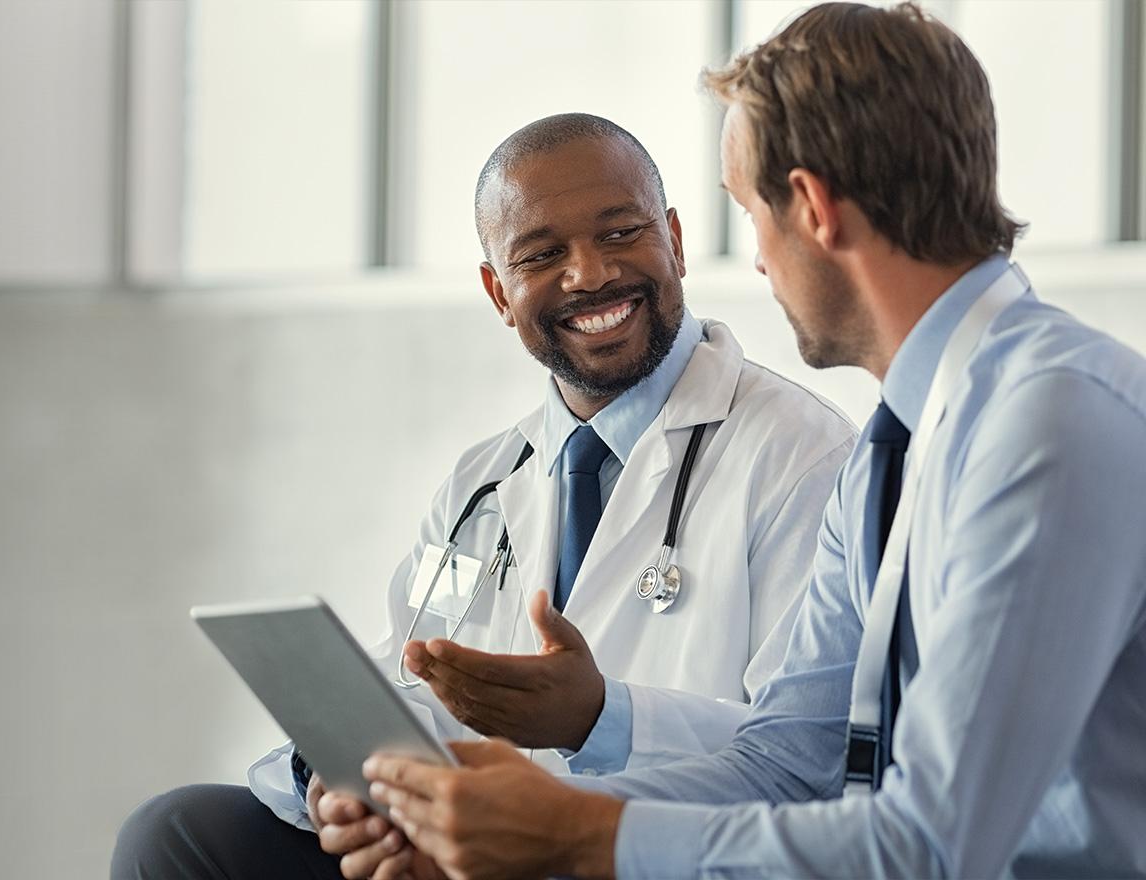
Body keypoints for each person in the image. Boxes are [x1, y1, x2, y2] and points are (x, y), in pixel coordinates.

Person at [362, 4, 1146, 878]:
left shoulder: (1050, 426)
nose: (761, 264)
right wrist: (511, 811)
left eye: (749, 213)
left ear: (811, 207)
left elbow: (930, 846)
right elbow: (788, 765)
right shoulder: (897, 452)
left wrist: (572, 835)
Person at [113, 114, 858, 879]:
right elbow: (411, 679)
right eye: (542, 255)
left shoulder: (801, 457)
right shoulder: (485, 485)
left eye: (619, 233)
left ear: (673, 239)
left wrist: (600, 720)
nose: (590, 274)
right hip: (469, 850)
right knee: (180, 834)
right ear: (498, 292)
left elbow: (809, 761)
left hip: (640, 855)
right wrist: (338, 783)